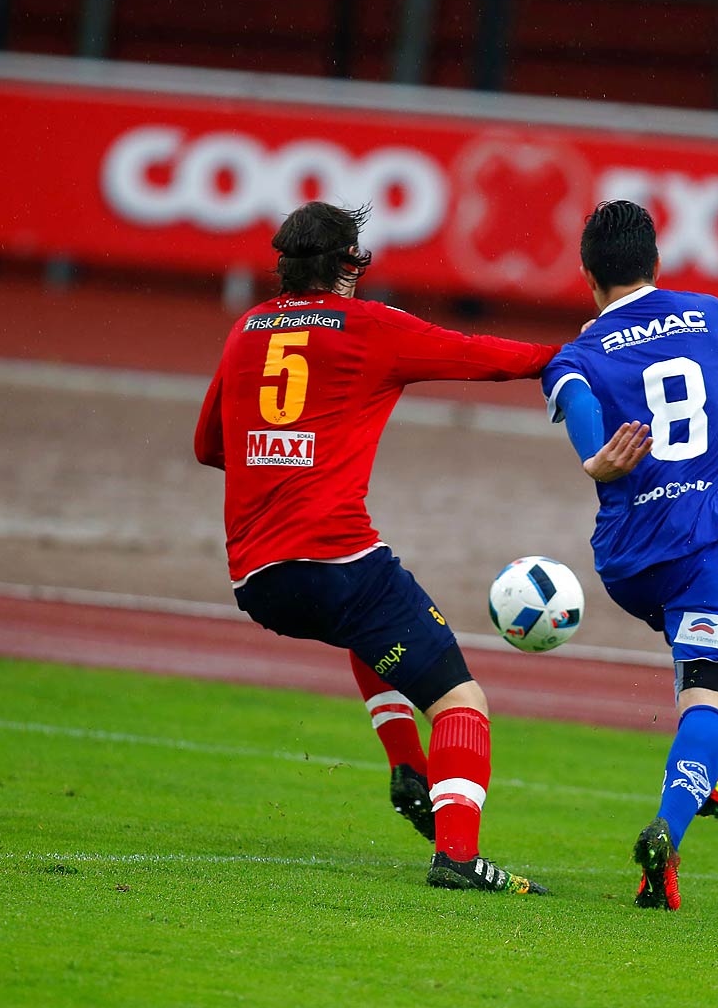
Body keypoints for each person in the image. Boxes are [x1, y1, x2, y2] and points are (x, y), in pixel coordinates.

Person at [194, 201, 561, 895]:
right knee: (460, 700)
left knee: (366, 625)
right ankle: (458, 857)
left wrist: (278, 458)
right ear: (349, 267)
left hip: (259, 582)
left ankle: (408, 765)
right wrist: (561, 359)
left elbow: (209, 447)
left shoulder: (245, 330)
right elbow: (477, 356)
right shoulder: (367, 326)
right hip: (336, 564)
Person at [540, 200, 718, 911]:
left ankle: (706, 770)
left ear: (586, 276)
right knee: (711, 687)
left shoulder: (576, 355)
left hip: (629, 560)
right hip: (709, 542)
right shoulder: (710, 313)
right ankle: (672, 822)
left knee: (688, 632)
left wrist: (595, 462)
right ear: (656, 262)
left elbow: (578, 409)